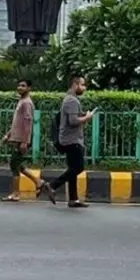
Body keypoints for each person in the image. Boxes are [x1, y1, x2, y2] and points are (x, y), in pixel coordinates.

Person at [1, 79, 53, 202]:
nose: (20, 87)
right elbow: (17, 123)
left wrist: (25, 141)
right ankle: (39, 182)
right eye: (19, 85)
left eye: (23, 86)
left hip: (22, 140)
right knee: (19, 165)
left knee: (14, 164)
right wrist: (8, 135)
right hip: (17, 138)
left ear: (29, 88)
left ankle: (16, 193)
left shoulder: (27, 103)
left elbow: (28, 123)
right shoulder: (21, 101)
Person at [48, 74, 95, 208]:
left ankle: (73, 199)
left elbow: (72, 118)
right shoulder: (72, 101)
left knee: (72, 168)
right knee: (78, 167)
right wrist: (88, 117)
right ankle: (52, 185)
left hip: (70, 139)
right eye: (82, 84)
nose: (84, 88)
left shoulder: (70, 99)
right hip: (71, 140)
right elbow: (73, 121)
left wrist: (83, 116)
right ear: (75, 85)